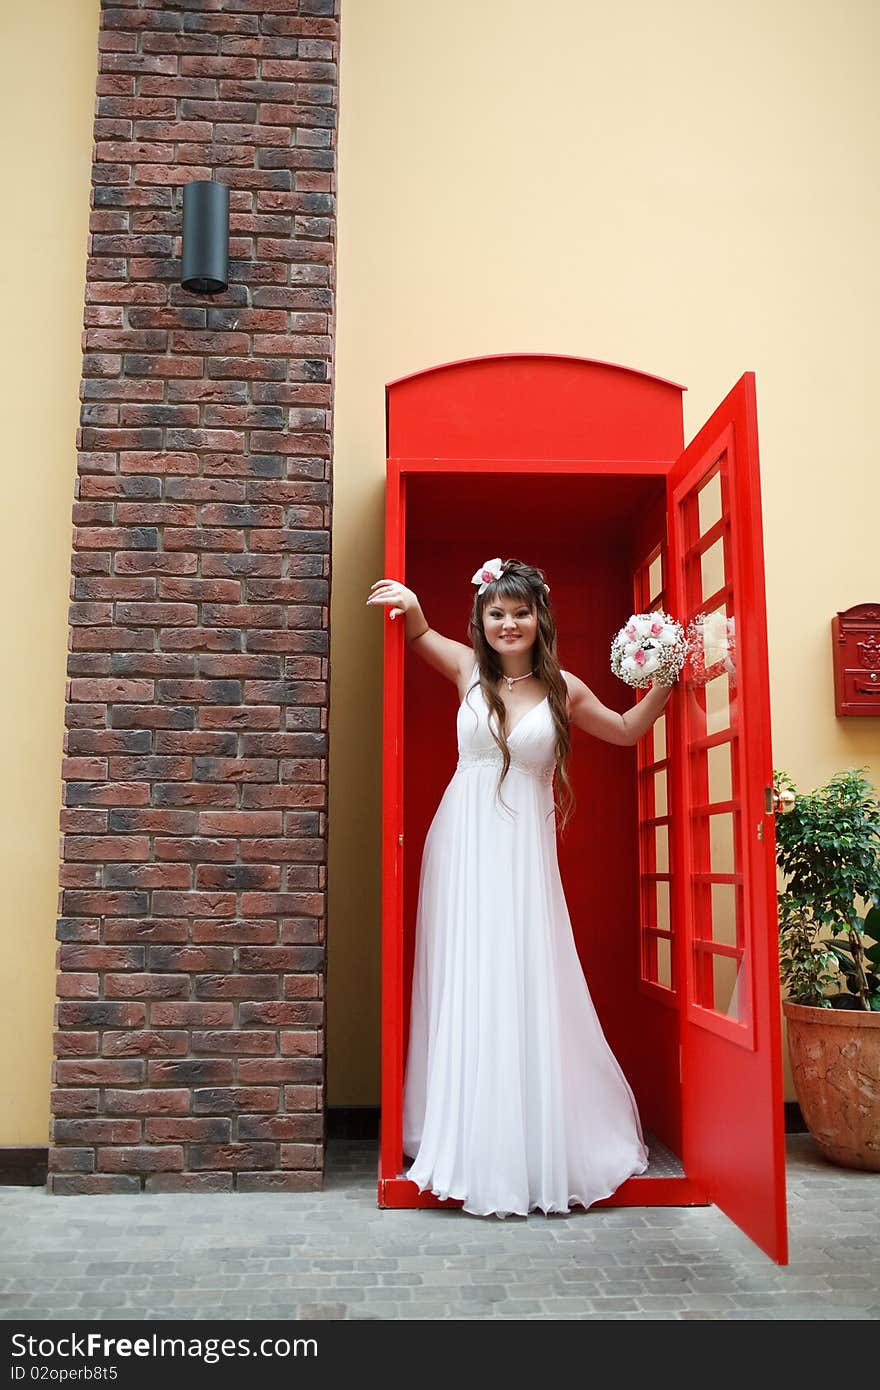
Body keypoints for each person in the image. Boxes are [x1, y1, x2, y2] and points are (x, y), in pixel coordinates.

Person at [366, 557, 675, 1218]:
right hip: (460, 846)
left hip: (521, 858)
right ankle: (468, 1127)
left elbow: (625, 731)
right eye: (496, 613)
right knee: (467, 976)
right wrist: (411, 598)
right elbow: (418, 633)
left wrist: (667, 674)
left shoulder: (565, 689)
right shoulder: (466, 671)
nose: (509, 623)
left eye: (520, 612)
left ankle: (527, 1136)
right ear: (481, 620)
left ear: (540, 619)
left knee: (519, 976)